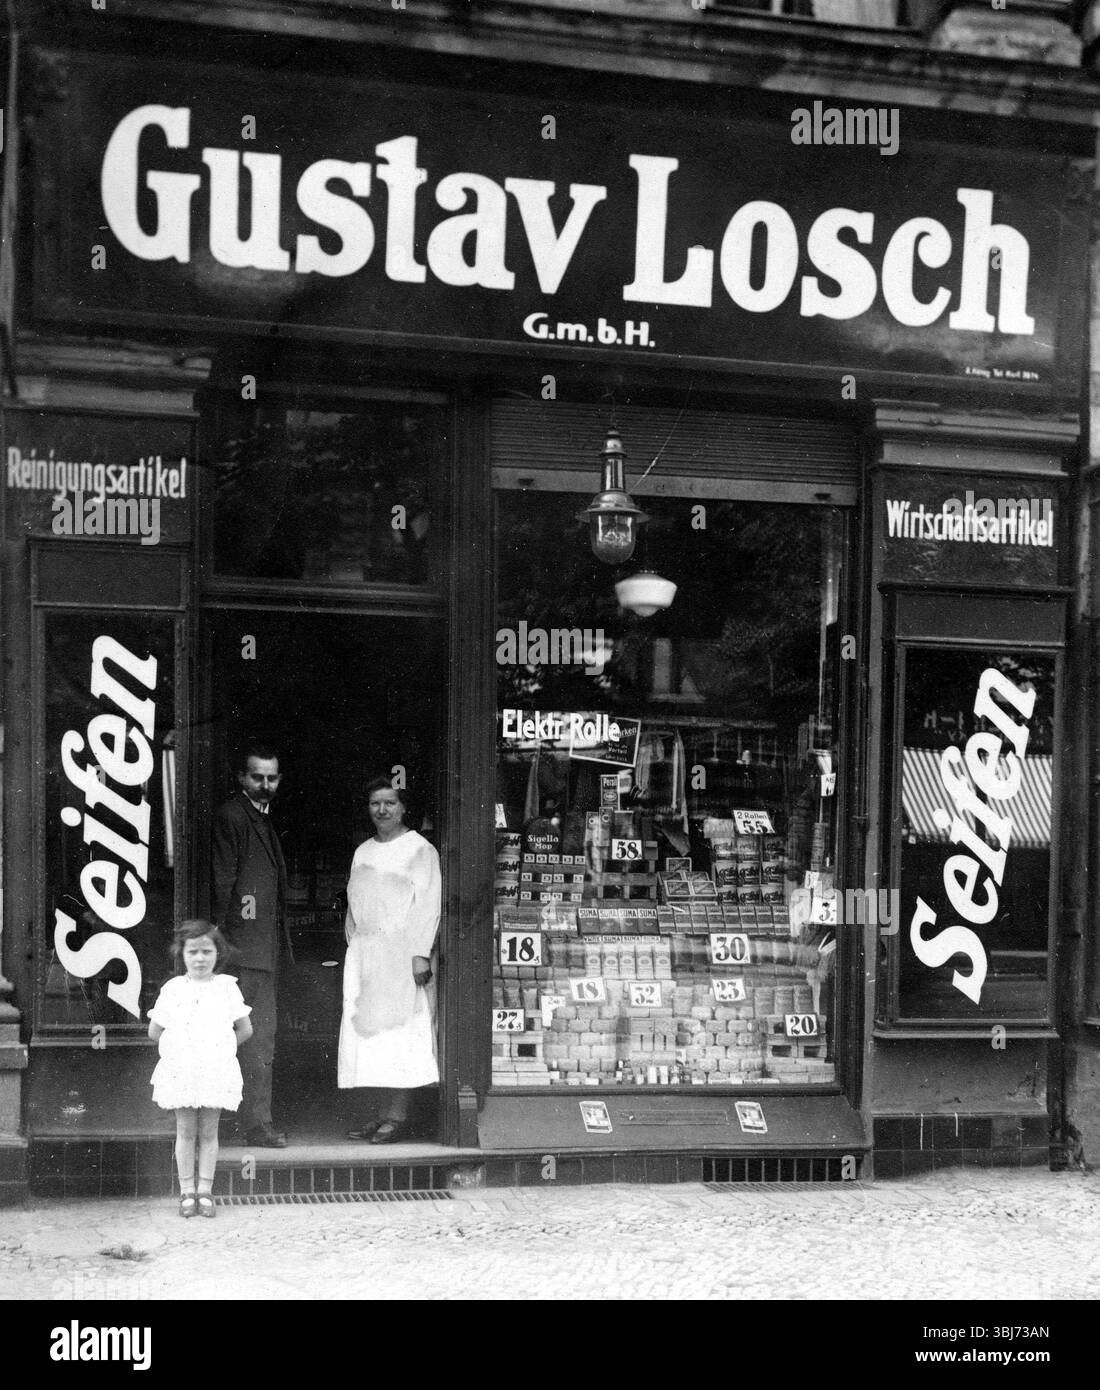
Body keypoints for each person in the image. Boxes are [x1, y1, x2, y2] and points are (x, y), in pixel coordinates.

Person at [338, 778, 441, 1144]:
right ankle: (377, 1115)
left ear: (403, 808)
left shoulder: (420, 849)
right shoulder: (363, 850)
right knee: (368, 1037)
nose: (382, 810)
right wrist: (356, 947)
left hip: (401, 954)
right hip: (366, 955)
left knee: (399, 1036)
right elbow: (354, 903)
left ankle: (397, 1117)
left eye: (390, 803)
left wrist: (418, 955)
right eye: (375, 803)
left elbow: (427, 906)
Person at [211, 740, 291, 1148]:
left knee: (255, 1041)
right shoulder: (234, 816)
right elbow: (225, 884)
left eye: (271, 777)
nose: (264, 784)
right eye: (257, 777)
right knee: (255, 1041)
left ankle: (248, 1123)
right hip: (245, 953)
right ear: (242, 778)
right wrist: (226, 946)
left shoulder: (260, 818)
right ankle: (255, 1126)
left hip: (260, 951)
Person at [148, 920, 253, 1218]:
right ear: (181, 954)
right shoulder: (173, 989)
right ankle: (186, 1192)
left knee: (209, 1131)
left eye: (206, 951)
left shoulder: (226, 988)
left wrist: (218, 1047)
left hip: (214, 1068)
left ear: (217, 954)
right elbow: (155, 1031)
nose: (199, 958)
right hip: (183, 1068)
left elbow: (245, 1029)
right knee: (185, 1130)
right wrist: (182, 1047)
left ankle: (205, 1191)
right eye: (193, 951)